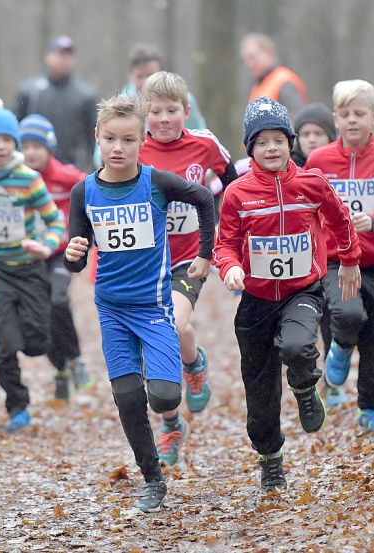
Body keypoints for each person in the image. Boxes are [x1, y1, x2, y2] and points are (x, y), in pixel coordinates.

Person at [63, 96, 215, 512]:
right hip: (111, 310)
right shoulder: (84, 191)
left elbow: (204, 199)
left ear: (141, 141)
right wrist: (73, 252)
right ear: (97, 138)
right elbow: (74, 260)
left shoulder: (157, 183)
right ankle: (152, 479)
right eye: (109, 138)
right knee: (128, 397)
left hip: (154, 307)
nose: (117, 147)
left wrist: (205, 253)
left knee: (164, 397)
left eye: (128, 139)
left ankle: (184, 383)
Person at [214, 96, 361, 492]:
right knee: (259, 392)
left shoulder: (311, 184)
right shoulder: (237, 194)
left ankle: (304, 386)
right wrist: (229, 268)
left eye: (279, 139)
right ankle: (271, 459)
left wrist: (349, 260)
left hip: (302, 289)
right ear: (251, 149)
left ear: (290, 142)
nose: (272, 148)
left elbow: (340, 219)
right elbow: (224, 243)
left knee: (298, 347)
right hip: (256, 300)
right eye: (262, 142)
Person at [137, 71, 237, 466]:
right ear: (144, 113)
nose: (163, 118)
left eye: (172, 110)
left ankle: (193, 366)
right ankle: (171, 421)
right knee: (156, 344)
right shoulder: (134, 150)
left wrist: (224, 235)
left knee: (174, 326)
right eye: (156, 111)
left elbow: (233, 183)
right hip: (144, 263)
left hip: (188, 257)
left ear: (186, 111)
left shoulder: (205, 143)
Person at [304, 80, 374, 431]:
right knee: (347, 313)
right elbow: (304, 206)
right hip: (335, 259)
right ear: (335, 118)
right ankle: (339, 347)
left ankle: (370, 406)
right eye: (345, 114)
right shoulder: (320, 161)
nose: (352, 120)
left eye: (360, 114)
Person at [0, 100, 66, 433]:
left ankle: (45, 348)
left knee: (36, 342)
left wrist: (46, 246)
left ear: (15, 144)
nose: (1, 146)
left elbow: (56, 222)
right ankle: (17, 407)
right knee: (4, 346)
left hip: (30, 268)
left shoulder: (29, 180)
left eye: (7, 139)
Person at [18, 114, 94, 400]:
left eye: (37, 146)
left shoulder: (67, 176)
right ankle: (60, 368)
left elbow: (94, 192)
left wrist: (89, 234)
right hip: (30, 255)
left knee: (58, 300)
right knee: (42, 315)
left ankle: (76, 361)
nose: (30, 153)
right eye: (24, 147)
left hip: (61, 253)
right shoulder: (17, 178)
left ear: (49, 148)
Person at [15, 35, 98, 170]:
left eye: (68, 55)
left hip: (70, 169)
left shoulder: (85, 95)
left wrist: (92, 169)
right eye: (59, 54)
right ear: (47, 57)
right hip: (32, 169)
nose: (64, 59)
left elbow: (92, 139)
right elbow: (17, 129)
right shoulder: (29, 91)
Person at [121, 44, 207, 130]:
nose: (145, 82)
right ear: (130, 77)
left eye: (151, 75)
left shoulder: (181, 99)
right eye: (139, 77)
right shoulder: (122, 105)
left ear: (162, 73)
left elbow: (199, 131)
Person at [240, 33, 307, 115]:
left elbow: (295, 120)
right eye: (246, 60)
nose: (249, 64)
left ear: (268, 53)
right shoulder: (259, 86)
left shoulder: (284, 81)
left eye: (253, 57)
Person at [289, 102, 337, 168]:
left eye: (318, 134)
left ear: (331, 137)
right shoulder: (286, 168)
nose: (312, 139)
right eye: (305, 134)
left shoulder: (342, 165)